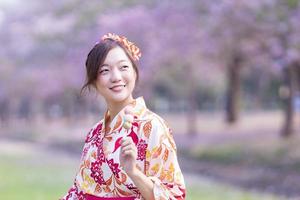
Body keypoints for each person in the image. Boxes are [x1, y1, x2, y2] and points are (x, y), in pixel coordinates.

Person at [61, 33, 186, 200]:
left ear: (134, 72)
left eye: (123, 67)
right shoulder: (94, 133)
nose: (116, 77)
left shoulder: (152, 127)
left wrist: (133, 172)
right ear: (93, 81)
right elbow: (78, 192)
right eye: (104, 70)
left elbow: (174, 196)